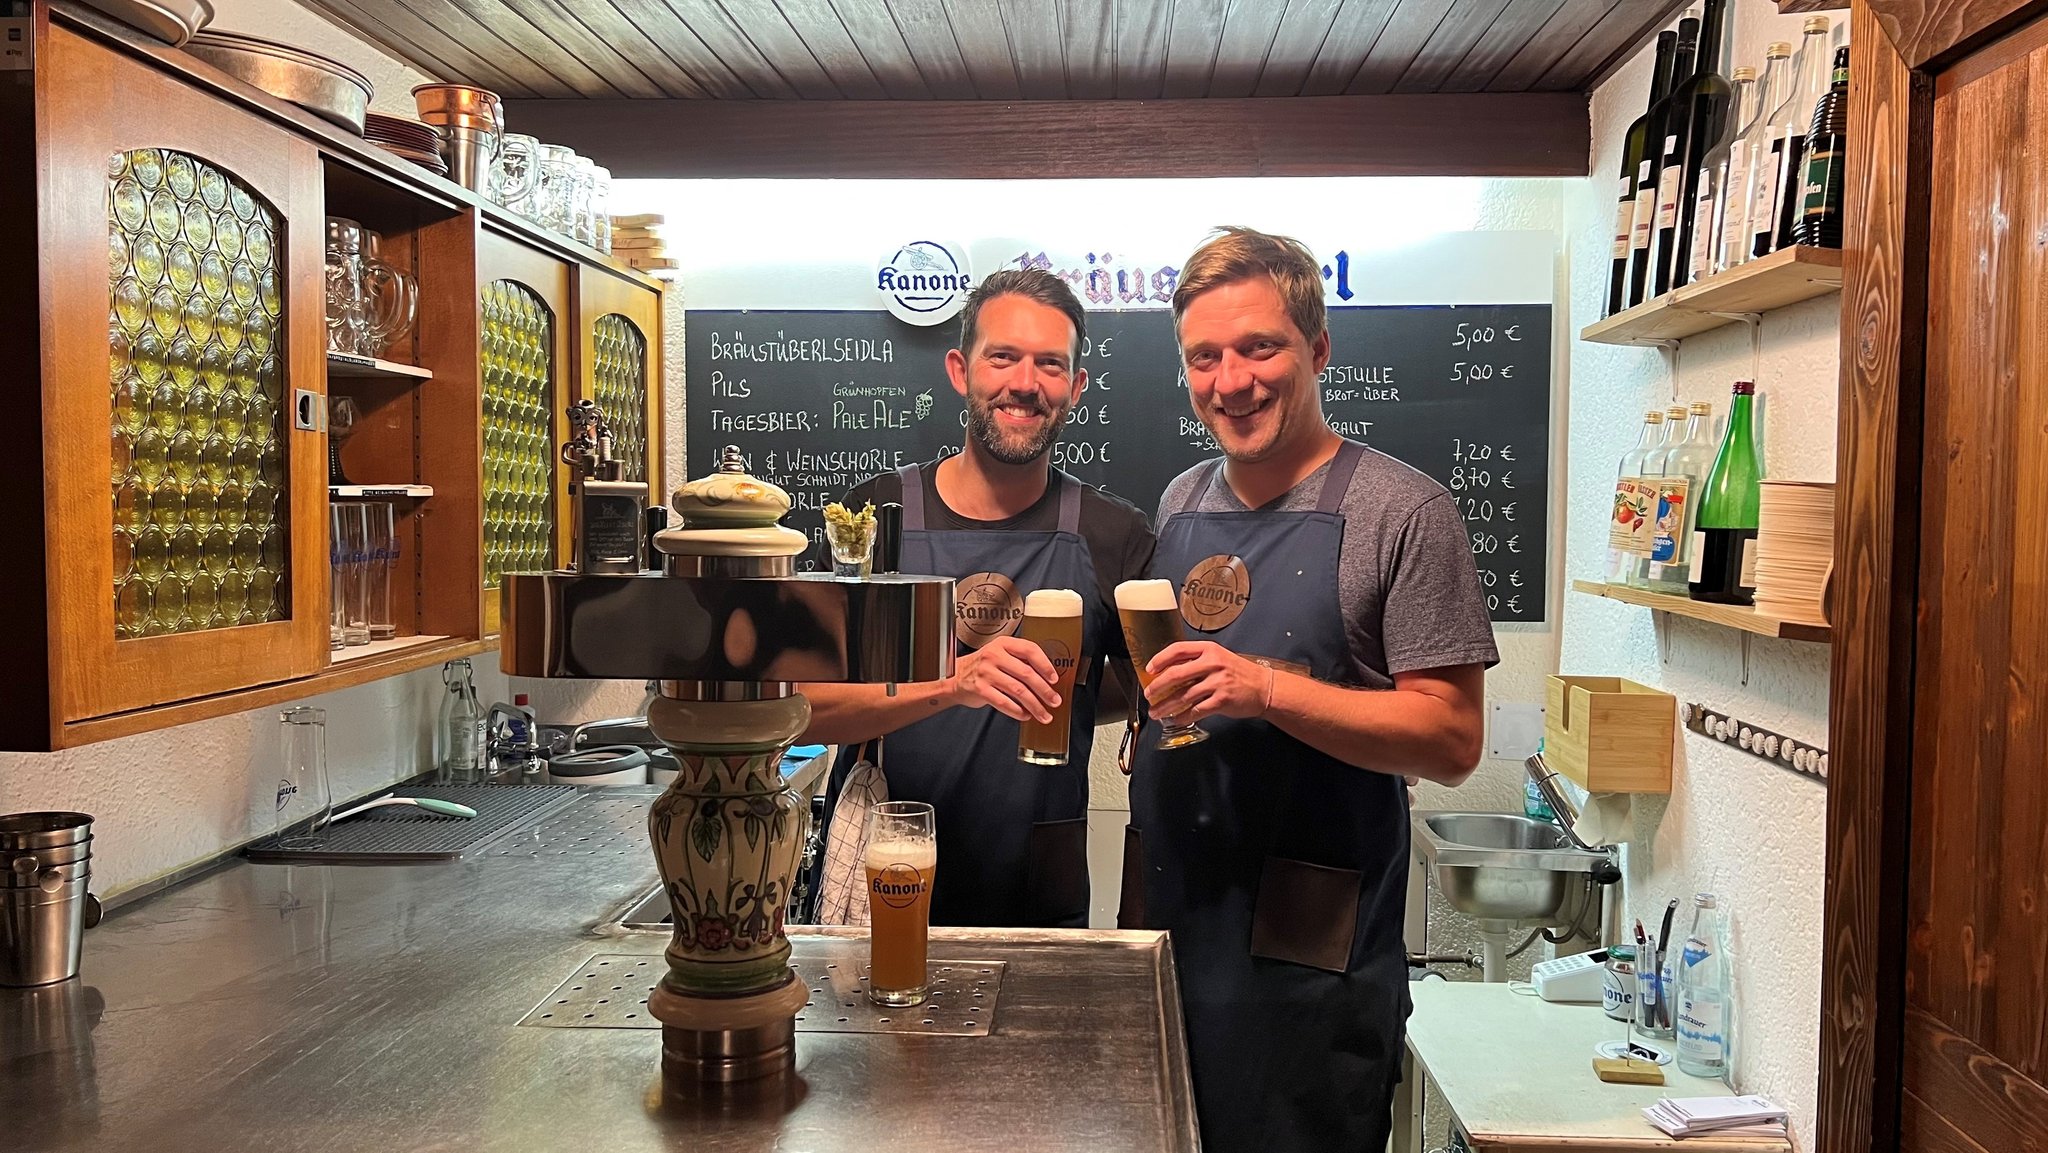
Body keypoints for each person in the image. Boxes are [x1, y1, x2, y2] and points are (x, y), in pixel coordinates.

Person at [1120, 227, 1496, 1152]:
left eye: (1260, 347)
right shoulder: (1180, 501)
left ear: (1318, 348)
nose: (1231, 380)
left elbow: (1451, 741)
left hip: (1310, 953)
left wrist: (1267, 691)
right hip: (1170, 921)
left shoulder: (1403, 511)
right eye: (1204, 357)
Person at [801, 269, 1156, 929]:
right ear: (961, 370)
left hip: (1038, 904)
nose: (1025, 382)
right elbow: (801, 708)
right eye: (1004, 356)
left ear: (1076, 387)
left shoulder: (1114, 535)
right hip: (887, 885)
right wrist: (954, 684)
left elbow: (1156, 698)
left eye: (1050, 363)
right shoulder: (874, 517)